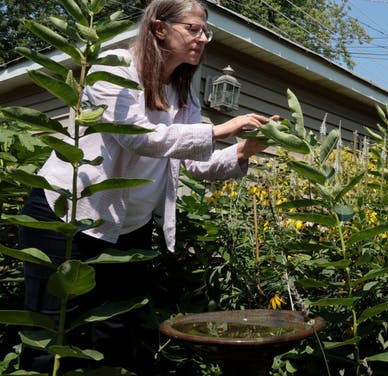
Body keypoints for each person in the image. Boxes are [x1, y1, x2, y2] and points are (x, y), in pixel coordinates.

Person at [17, 0, 276, 372]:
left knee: (116, 331)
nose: (202, 38)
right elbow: (136, 136)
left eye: (206, 31)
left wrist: (243, 150)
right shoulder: (112, 67)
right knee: (53, 330)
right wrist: (219, 129)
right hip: (68, 214)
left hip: (129, 226)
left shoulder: (183, 93)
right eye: (193, 29)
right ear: (159, 28)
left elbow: (193, 163)